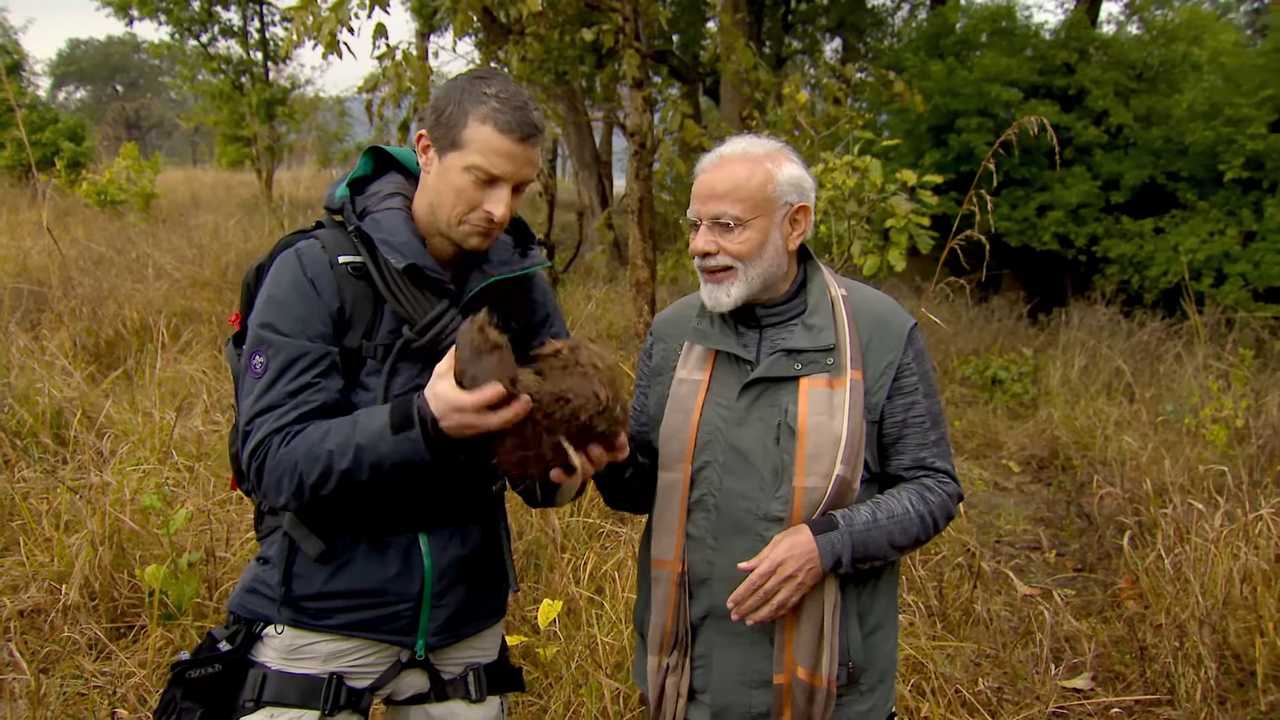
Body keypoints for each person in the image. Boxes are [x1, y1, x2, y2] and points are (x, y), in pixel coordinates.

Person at [225, 68, 625, 719]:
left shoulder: (518, 283)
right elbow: (271, 461)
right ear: (428, 150)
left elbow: (533, 479)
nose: (501, 209)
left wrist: (564, 471)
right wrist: (422, 420)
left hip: (464, 622)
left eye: (519, 188)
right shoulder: (315, 271)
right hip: (323, 615)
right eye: (483, 179)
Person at [594, 134, 963, 720]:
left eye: (726, 226)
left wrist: (829, 543)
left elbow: (932, 487)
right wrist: (607, 454)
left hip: (833, 693)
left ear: (795, 225)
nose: (700, 245)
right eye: (695, 225)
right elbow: (639, 492)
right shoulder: (673, 334)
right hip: (687, 683)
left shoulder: (878, 332)